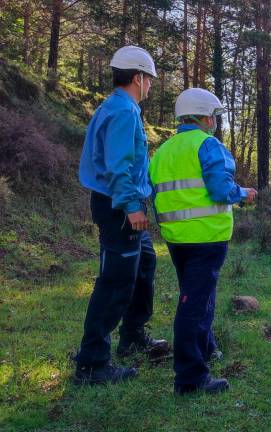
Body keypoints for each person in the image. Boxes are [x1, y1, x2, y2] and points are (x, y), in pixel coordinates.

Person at [149, 88, 256, 395]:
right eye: (214, 117)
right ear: (205, 117)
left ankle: (207, 347)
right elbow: (221, 189)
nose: (215, 123)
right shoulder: (208, 145)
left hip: (176, 237)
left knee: (198, 295)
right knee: (193, 303)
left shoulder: (163, 151)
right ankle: (190, 378)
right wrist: (242, 194)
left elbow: (155, 192)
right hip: (207, 236)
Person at [74, 45, 169, 385]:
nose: (151, 86)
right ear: (138, 78)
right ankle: (92, 363)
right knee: (115, 281)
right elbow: (118, 166)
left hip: (117, 202)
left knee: (144, 265)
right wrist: (131, 206)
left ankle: (132, 336)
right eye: (150, 80)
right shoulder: (124, 112)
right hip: (118, 205)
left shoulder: (114, 106)